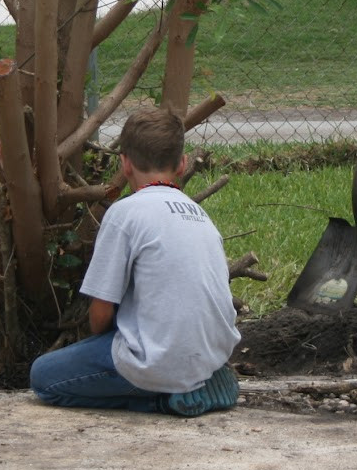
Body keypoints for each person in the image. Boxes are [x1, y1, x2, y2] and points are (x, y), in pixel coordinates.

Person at [29, 107, 241, 416]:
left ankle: (162, 398)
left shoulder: (124, 213)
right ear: (182, 164)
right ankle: (198, 380)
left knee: (43, 376)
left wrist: (100, 347)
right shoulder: (202, 217)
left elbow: (99, 313)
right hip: (212, 356)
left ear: (125, 164)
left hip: (154, 362)